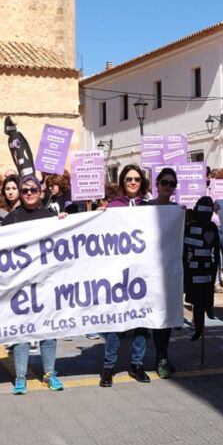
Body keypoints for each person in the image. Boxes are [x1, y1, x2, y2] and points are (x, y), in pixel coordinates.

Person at [2, 175, 63, 394]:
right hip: (21, 284)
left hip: (46, 282)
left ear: (40, 191)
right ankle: (20, 376)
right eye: (25, 190)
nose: (29, 193)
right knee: (22, 330)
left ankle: (50, 373)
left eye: (33, 190)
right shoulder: (12, 218)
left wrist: (65, 221)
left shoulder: (50, 216)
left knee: (48, 329)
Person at [99, 164, 151, 387]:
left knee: (141, 322)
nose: (132, 183)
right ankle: (108, 366)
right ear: (122, 182)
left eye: (136, 179)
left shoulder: (149, 206)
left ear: (142, 182)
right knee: (116, 321)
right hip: (118, 273)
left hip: (143, 272)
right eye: (128, 179)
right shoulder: (113, 206)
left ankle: (137, 364)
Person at [147, 168, 180, 379]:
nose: (168, 186)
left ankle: (162, 356)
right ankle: (144, 358)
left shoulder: (178, 210)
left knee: (165, 315)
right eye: (164, 182)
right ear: (157, 184)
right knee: (150, 314)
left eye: (172, 183)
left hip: (168, 270)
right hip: (147, 270)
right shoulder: (144, 208)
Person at [185, 196, 221, 341]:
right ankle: (198, 326)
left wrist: (213, 273)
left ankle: (204, 316)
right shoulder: (190, 228)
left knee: (201, 301)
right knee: (198, 301)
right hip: (197, 270)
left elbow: (216, 252)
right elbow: (184, 250)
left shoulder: (212, 228)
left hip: (204, 270)